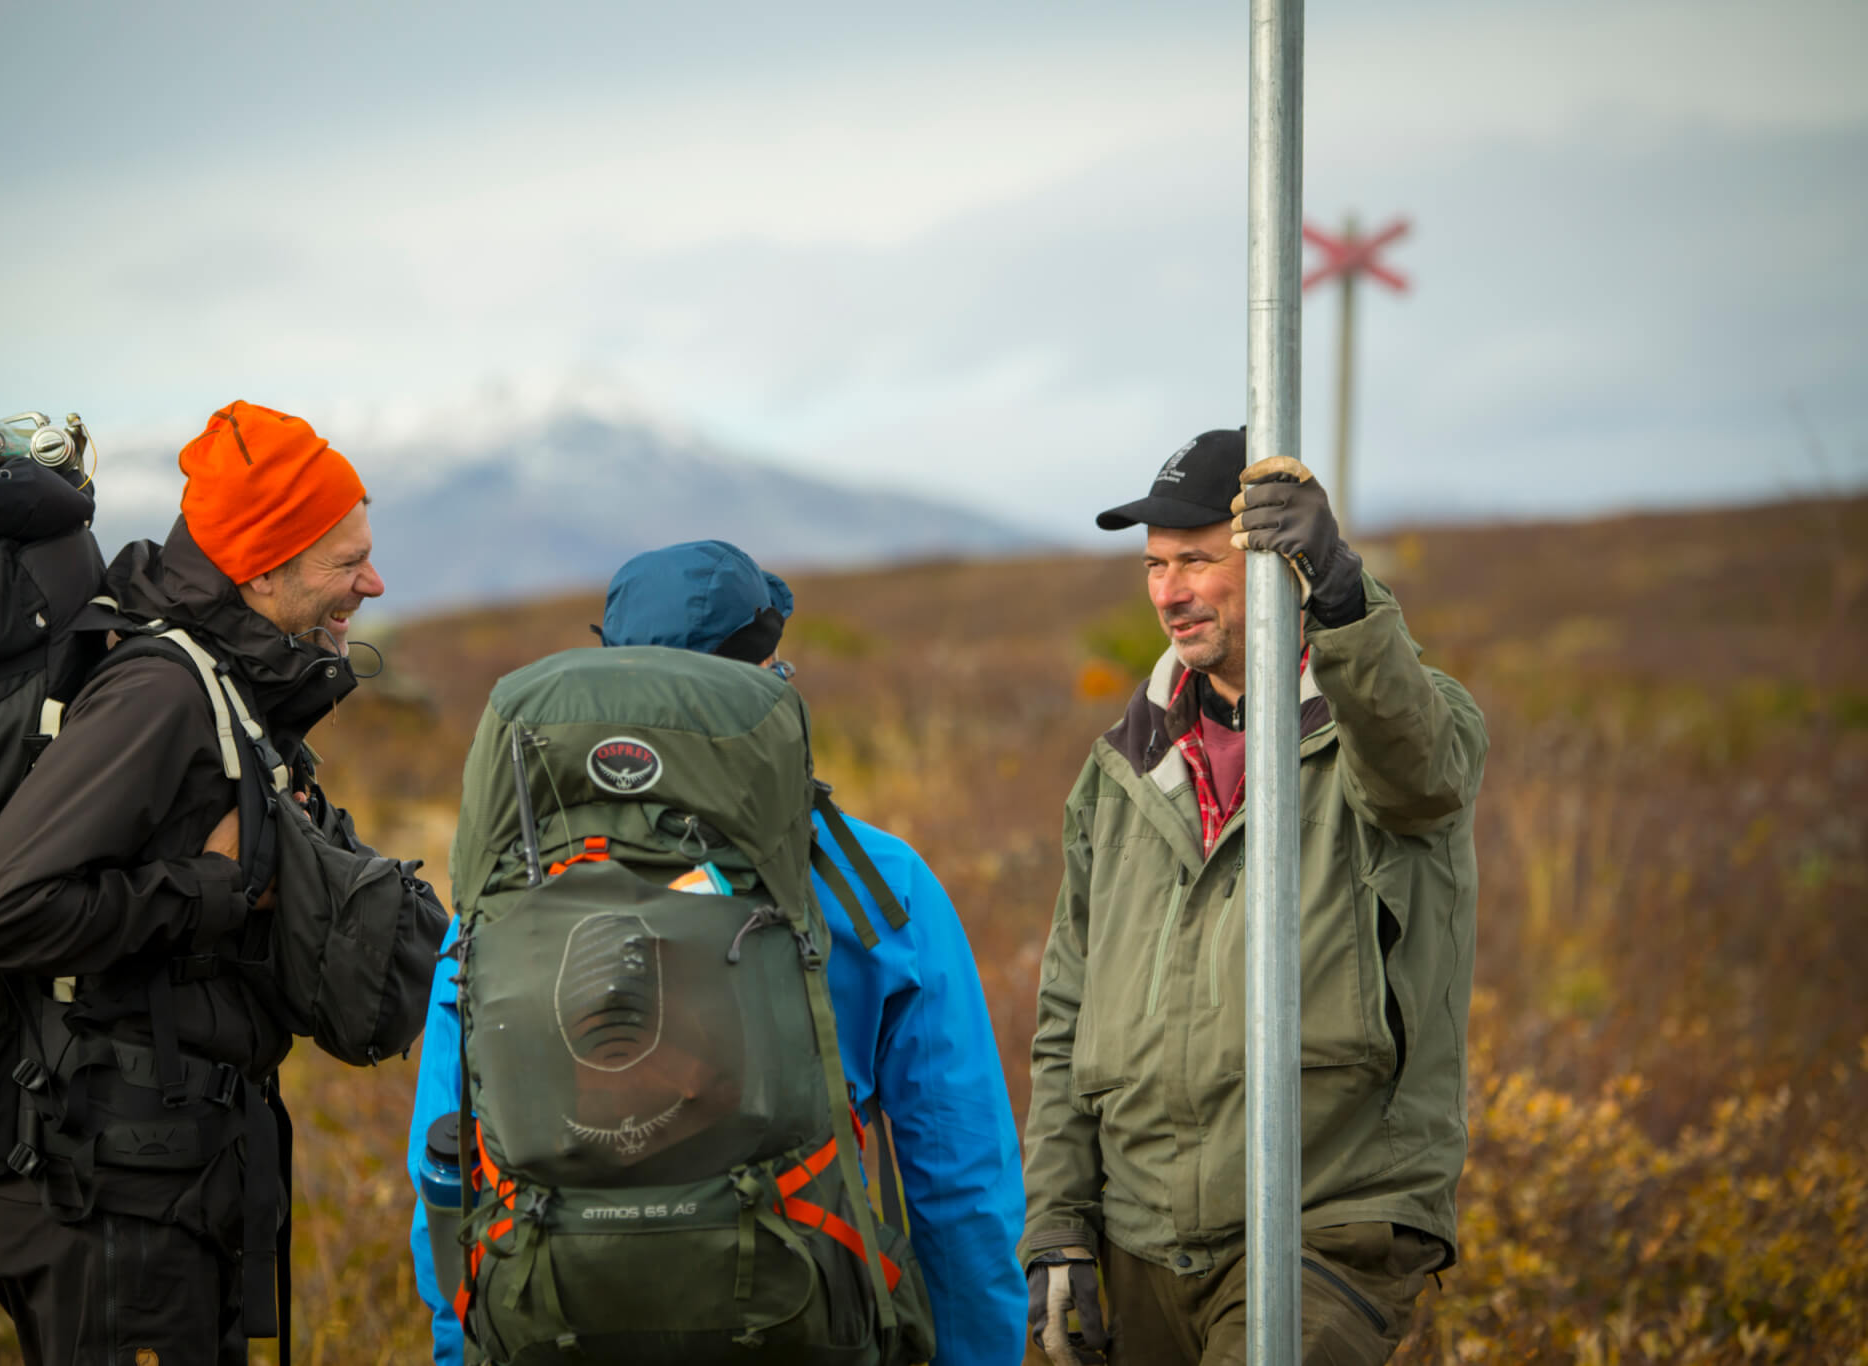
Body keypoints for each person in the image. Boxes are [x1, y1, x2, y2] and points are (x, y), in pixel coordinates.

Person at [406, 539, 1028, 1366]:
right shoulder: (874, 883)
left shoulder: (505, 890)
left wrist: (464, 1350)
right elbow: (960, 1184)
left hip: (551, 1324)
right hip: (793, 1317)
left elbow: (447, 1163)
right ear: (770, 675)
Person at [1021, 430, 1486, 1366]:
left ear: (1278, 560)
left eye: (1197, 558)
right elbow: (1068, 1010)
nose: (1169, 591)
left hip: (1325, 1220)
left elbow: (1420, 777)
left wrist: (1346, 594)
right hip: (1136, 1231)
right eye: (1155, 566)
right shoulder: (1120, 768)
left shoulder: (1399, 724)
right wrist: (1059, 1225)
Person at [0, 401, 395, 1363]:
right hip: (107, 1193)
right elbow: (0, 913)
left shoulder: (230, 684)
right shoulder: (159, 692)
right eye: (345, 561)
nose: (373, 580)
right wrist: (221, 884)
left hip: (173, 1177)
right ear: (263, 568)